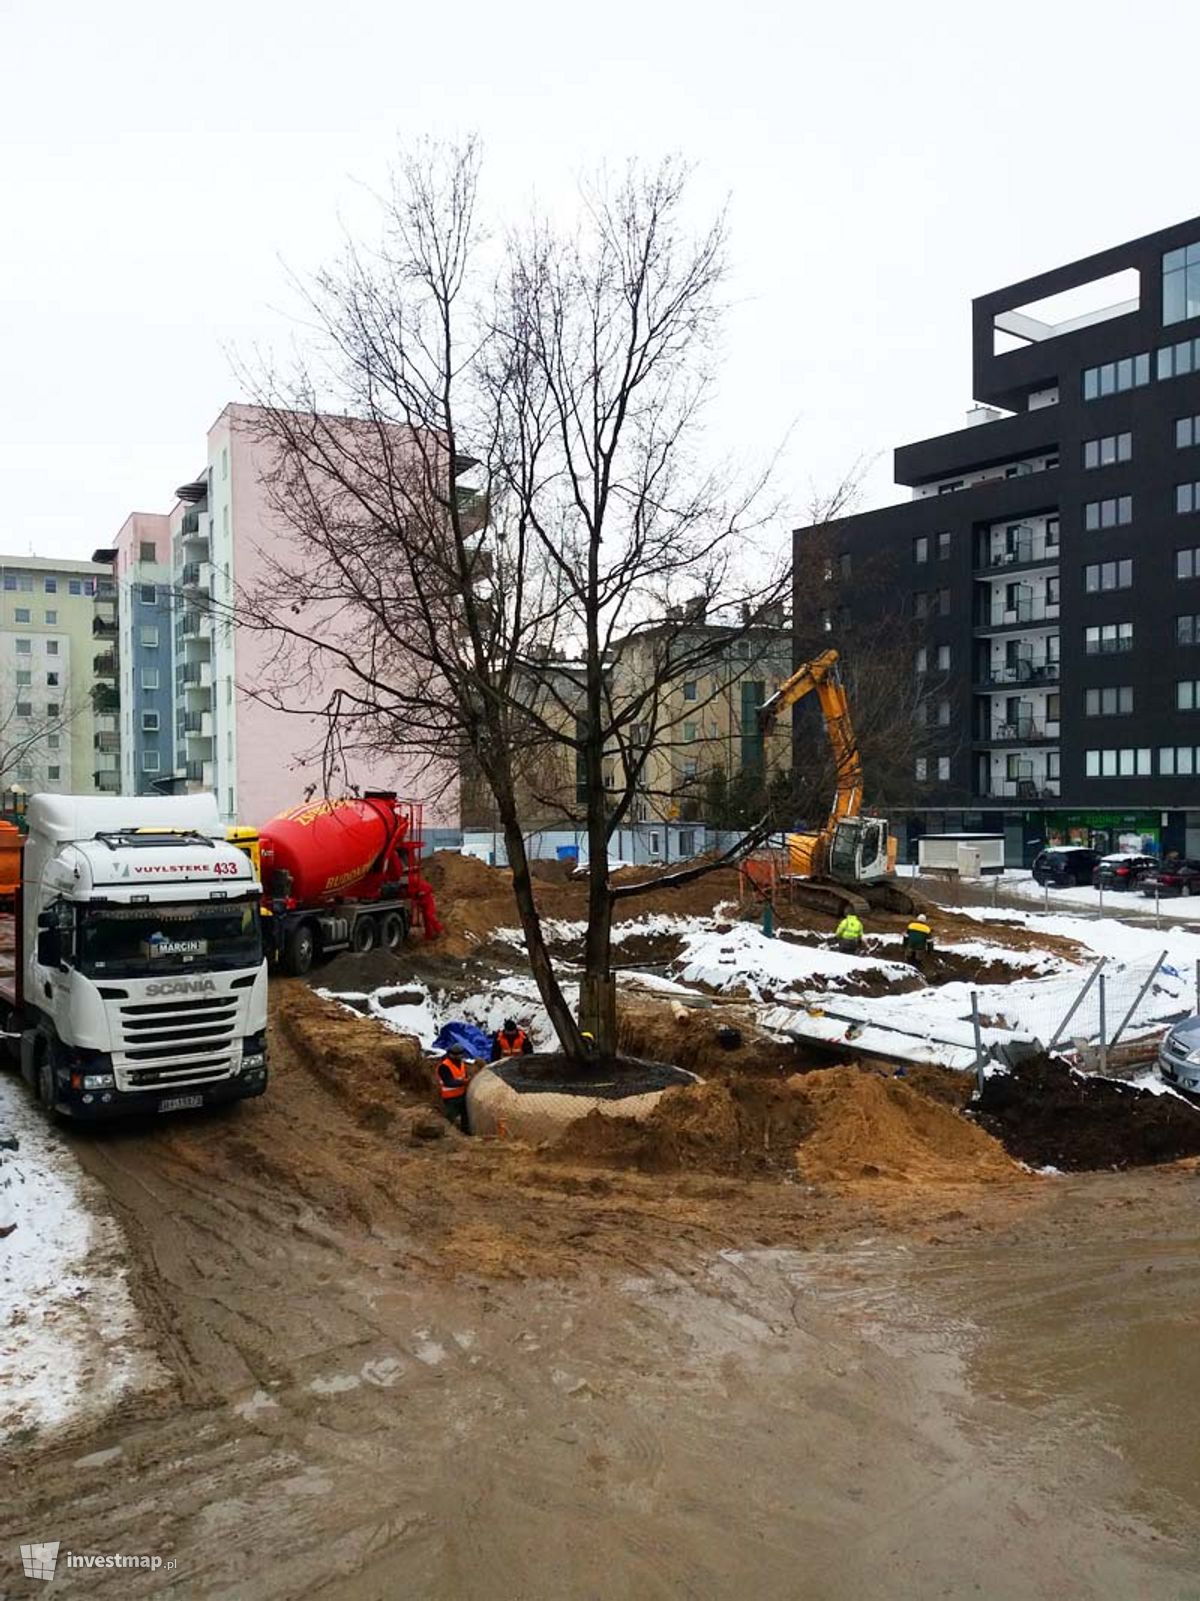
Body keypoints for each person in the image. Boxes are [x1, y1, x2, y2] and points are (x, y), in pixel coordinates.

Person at [436, 1044, 472, 1132]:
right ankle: (449, 1134)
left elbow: (464, 1076)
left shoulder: (461, 1063)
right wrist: (463, 1082)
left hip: (462, 1095)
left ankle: (465, 1132)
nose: (459, 1057)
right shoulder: (444, 1066)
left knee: (465, 1115)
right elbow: (448, 1082)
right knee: (450, 1118)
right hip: (450, 1098)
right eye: (457, 1055)